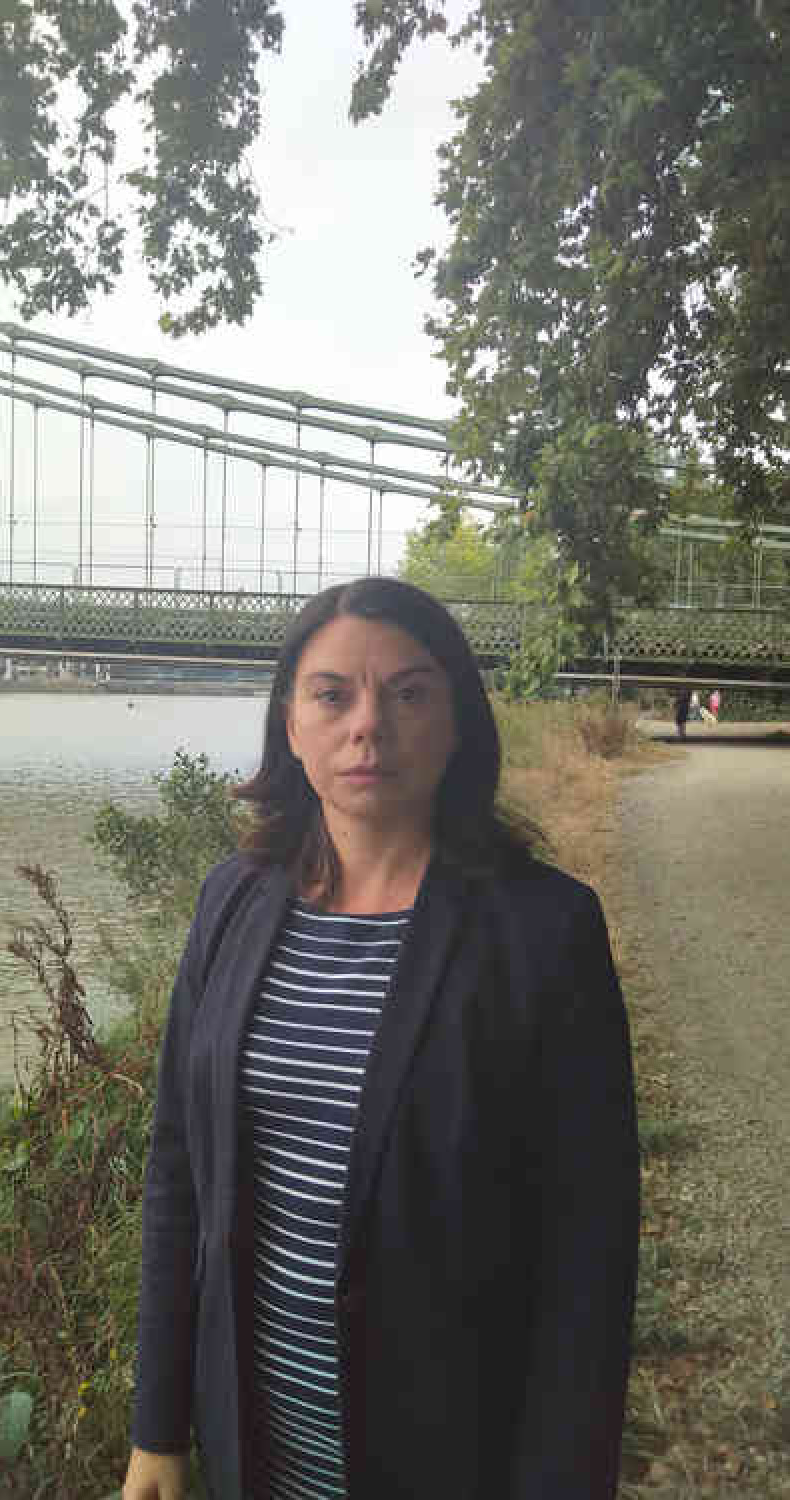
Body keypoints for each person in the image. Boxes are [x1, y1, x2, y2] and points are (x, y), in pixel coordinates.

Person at [123, 577, 640, 1500]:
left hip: (454, 1450)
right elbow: (178, 1174)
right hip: (256, 1442)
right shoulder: (230, 901)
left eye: (408, 693)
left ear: (456, 720)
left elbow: (586, 1263)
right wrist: (158, 1429)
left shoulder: (545, 932)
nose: (369, 725)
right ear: (291, 722)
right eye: (333, 695)